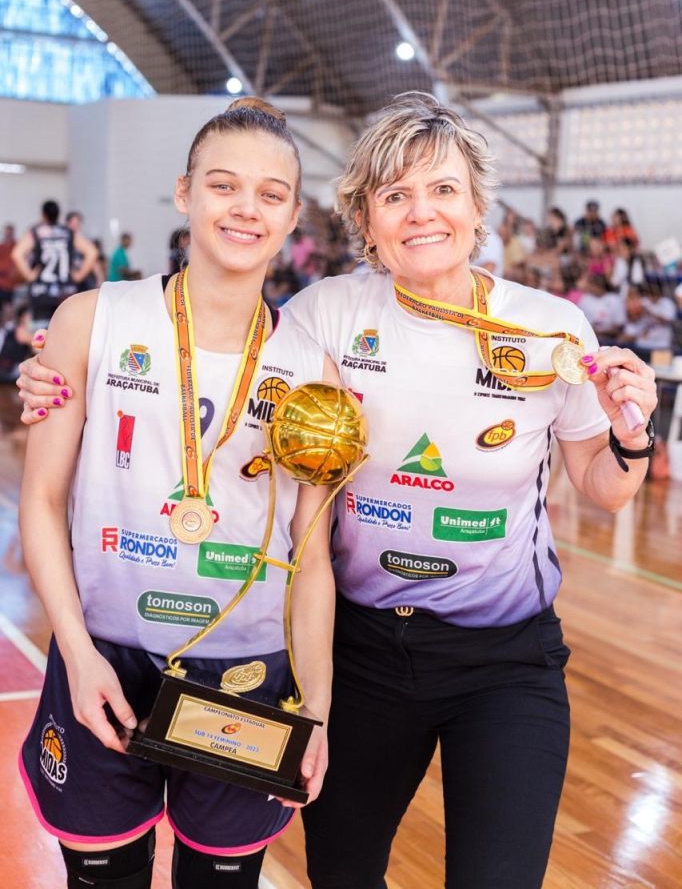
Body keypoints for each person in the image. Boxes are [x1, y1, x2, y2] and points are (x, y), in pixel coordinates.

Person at [17, 93, 658, 889]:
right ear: (364, 217)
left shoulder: (545, 330)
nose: (421, 214)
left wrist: (633, 434)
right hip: (347, 654)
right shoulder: (323, 318)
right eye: (395, 195)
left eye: (443, 190)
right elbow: (203, 352)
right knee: (336, 874)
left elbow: (606, 487)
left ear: (477, 204)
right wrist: (47, 373)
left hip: (486, 657)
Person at [16, 99, 337, 889]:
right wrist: (77, 652)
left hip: (247, 676)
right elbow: (41, 502)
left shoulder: (313, 367)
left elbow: (313, 559)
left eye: (270, 194)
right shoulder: (91, 319)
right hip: (103, 661)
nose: (245, 209)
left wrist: (316, 709)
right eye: (224, 185)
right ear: (185, 192)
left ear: (294, 213)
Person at [11, 200, 98, 323]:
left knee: (41, 333)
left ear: (43, 214)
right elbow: (92, 252)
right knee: (65, 330)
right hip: (65, 291)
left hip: (41, 291)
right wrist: (78, 275)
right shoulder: (68, 232)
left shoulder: (37, 232)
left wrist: (29, 275)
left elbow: (17, 254)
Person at [0, 303, 32, 382]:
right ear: (22, 316)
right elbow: (34, 342)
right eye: (29, 315)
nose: (31, 318)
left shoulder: (16, 329)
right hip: (10, 369)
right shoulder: (20, 330)